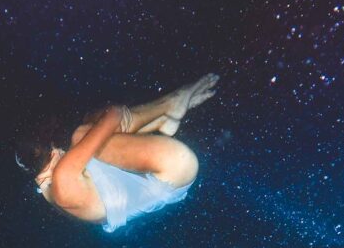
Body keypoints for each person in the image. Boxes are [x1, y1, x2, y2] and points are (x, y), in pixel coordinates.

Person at [15, 74, 218, 232]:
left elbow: (112, 168)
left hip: (171, 175)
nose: (60, 149)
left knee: (89, 130)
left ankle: (165, 117)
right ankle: (171, 104)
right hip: (173, 164)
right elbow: (114, 114)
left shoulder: (52, 192)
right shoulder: (63, 177)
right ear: (48, 156)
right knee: (81, 134)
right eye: (55, 148)